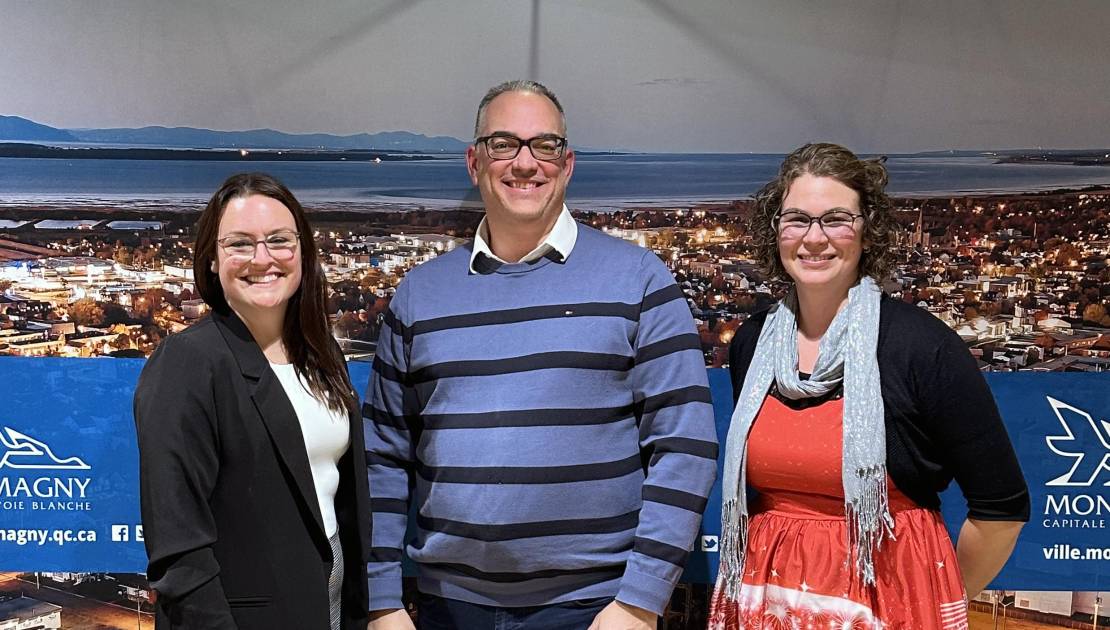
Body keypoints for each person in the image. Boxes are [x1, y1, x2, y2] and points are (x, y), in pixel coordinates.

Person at [364, 80, 718, 630]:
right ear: (474, 162)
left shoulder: (639, 280)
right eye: (503, 143)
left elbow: (685, 445)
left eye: (544, 146)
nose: (525, 163)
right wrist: (382, 602)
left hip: (597, 610)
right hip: (449, 609)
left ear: (568, 163)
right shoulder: (419, 294)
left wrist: (640, 602)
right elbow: (383, 455)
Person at [709, 143, 1029, 629]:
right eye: (796, 219)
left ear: (867, 231)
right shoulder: (753, 344)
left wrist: (935, 596)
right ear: (775, 232)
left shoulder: (921, 347)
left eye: (836, 218)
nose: (814, 239)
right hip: (767, 600)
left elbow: (1001, 509)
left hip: (891, 600)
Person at [134, 173, 370, 630]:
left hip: (330, 607)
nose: (263, 259)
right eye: (240, 244)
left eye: (279, 241)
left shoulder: (322, 353)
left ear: (302, 250)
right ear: (211, 260)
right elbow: (179, 548)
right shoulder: (186, 365)